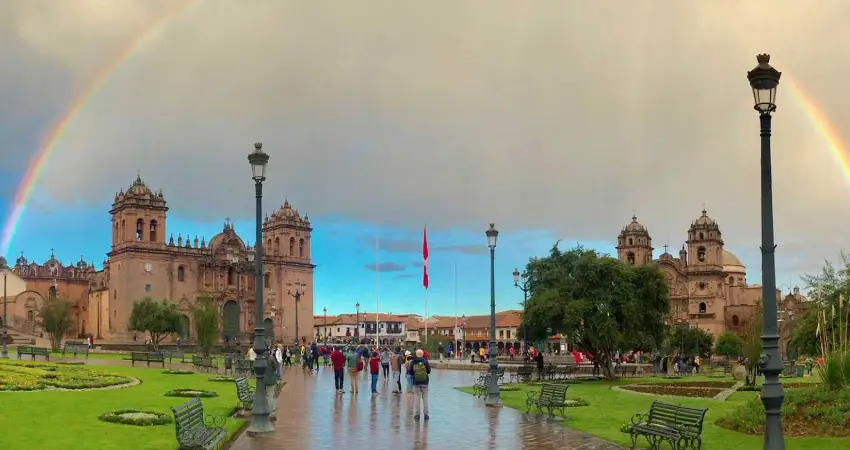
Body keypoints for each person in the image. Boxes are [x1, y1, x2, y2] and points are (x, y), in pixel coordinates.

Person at [408, 349, 431, 420]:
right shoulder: (425, 361)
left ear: (417, 354)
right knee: (425, 398)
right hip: (425, 382)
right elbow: (429, 371)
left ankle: (417, 414)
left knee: (417, 398)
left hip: (416, 382)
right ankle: (426, 414)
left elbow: (410, 372)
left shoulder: (413, 362)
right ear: (422, 354)